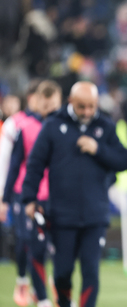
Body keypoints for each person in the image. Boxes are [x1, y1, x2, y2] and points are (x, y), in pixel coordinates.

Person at [21, 81, 127, 307]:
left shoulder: (106, 127)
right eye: (81, 107)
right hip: (62, 214)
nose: (87, 112)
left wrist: (98, 149)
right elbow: (35, 165)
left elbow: (123, 161)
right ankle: (64, 302)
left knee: (91, 271)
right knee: (62, 272)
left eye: (92, 106)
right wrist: (29, 198)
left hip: (95, 215)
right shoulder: (53, 125)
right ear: (70, 102)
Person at [3, 80, 62, 307]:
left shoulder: (64, 127)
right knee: (28, 244)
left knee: (58, 247)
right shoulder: (22, 126)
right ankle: (34, 291)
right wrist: (5, 198)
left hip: (57, 196)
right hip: (29, 196)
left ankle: (57, 291)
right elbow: (12, 164)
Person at [0, 81, 40, 306]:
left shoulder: (51, 123)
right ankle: (23, 280)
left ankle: (39, 284)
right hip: (21, 190)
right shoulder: (15, 124)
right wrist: (3, 196)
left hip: (45, 191)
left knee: (43, 241)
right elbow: (5, 161)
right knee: (24, 238)